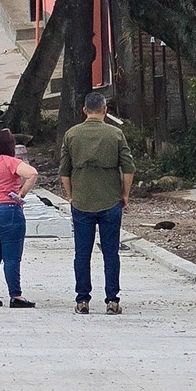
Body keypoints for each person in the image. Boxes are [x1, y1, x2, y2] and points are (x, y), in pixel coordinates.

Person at [60, 89, 135, 316]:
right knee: (111, 252)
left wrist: (71, 195)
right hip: (110, 200)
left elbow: (64, 171)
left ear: (84, 110)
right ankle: (112, 299)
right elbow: (129, 167)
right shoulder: (115, 135)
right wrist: (124, 194)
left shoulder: (71, 135)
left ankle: (82, 299)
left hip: (82, 200)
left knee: (82, 253)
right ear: (105, 110)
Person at [0, 130, 40, 307]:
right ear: (11, 145)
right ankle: (15, 295)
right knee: (11, 257)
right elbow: (32, 173)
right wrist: (21, 193)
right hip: (8, 209)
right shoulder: (12, 162)